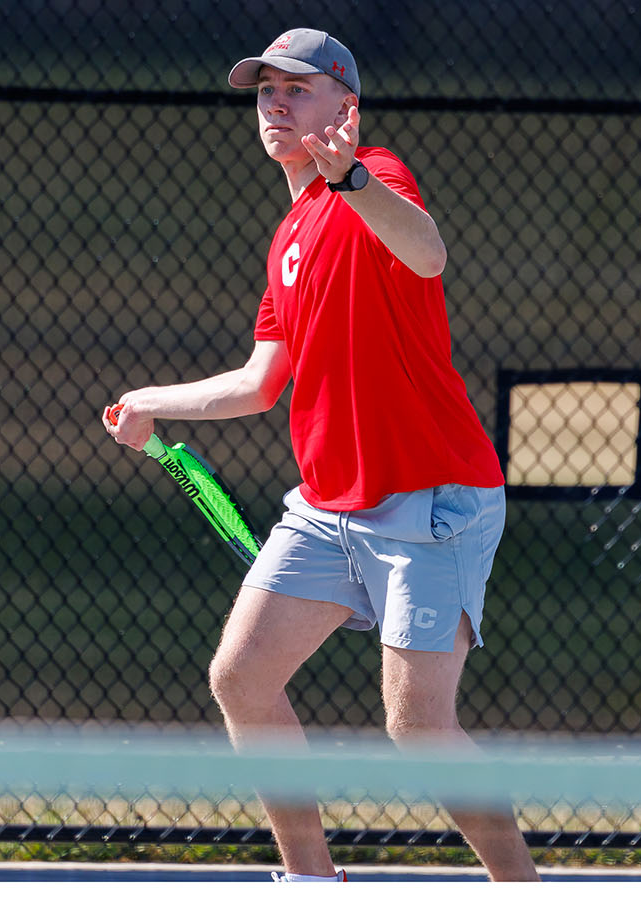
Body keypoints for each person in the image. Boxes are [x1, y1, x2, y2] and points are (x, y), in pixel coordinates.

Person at [103, 28, 539, 883]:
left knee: (419, 731)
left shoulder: (376, 177)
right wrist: (153, 404)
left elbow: (426, 250)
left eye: (297, 89)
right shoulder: (290, 233)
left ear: (347, 106)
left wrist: (354, 179)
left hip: (433, 502)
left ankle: (519, 887)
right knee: (241, 678)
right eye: (266, 91)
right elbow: (262, 384)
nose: (276, 103)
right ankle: (310, 877)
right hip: (329, 508)